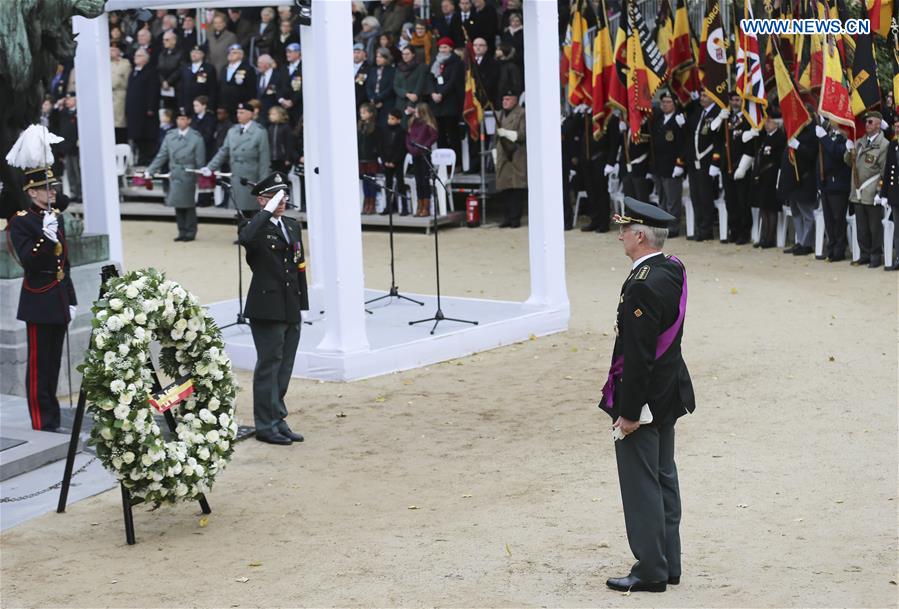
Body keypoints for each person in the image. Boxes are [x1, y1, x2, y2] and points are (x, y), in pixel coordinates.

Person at [599, 197, 694, 594]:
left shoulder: (641, 285)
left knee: (642, 487)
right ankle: (669, 561)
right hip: (668, 392)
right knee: (664, 478)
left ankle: (651, 569)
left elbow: (637, 356)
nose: (620, 235)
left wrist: (629, 411)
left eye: (625, 229)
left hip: (646, 400)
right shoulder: (671, 269)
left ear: (640, 236)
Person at [238, 172, 308, 445]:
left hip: (290, 303)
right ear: (262, 200)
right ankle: (265, 424)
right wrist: (266, 211)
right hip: (266, 306)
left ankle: (278, 418)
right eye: (275, 197)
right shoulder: (253, 226)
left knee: (285, 365)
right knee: (269, 364)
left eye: (284, 196)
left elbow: (299, 265)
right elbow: (247, 238)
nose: (282, 201)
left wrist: (303, 303)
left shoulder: (291, 226)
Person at [8, 166, 77, 432]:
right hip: (39, 299)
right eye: (47, 188)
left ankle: (54, 419)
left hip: (57, 297)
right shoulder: (21, 221)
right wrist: (46, 239)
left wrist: (71, 298)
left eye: (54, 187)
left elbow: (65, 263)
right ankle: (42, 421)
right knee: (39, 367)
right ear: (32, 192)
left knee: (53, 364)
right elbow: (30, 262)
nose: (53, 192)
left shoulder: (53, 217)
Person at [144, 107, 205, 241]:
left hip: (188, 173)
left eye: (183, 119)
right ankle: (181, 231)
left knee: (188, 203)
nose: (180, 121)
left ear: (189, 120)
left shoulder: (196, 137)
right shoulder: (170, 135)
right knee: (177, 203)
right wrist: (151, 170)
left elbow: (200, 160)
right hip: (175, 173)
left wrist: (202, 175)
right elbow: (162, 155)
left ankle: (190, 231)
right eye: (178, 118)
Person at [204, 101, 271, 213]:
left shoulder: (259, 132)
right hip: (236, 175)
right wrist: (210, 167)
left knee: (251, 211)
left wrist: (262, 182)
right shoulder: (232, 130)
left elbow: (264, 159)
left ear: (250, 114)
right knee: (239, 212)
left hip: (251, 176)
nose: (238, 115)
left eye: (242, 112)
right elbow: (223, 151)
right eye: (238, 112)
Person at [845, 110, 890, 267]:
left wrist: (880, 191)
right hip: (857, 191)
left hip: (872, 192)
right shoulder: (860, 141)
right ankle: (864, 253)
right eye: (866, 122)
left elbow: (884, 172)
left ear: (878, 124)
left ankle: (875, 256)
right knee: (862, 226)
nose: (867, 125)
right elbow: (848, 162)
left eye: (870, 122)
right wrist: (849, 148)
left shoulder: (884, 145)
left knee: (874, 227)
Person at [684, 91, 723, 241]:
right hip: (694, 162)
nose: (702, 98)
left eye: (705, 96)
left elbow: (718, 141)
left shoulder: (717, 113)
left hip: (707, 162)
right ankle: (700, 227)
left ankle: (707, 230)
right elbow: (691, 136)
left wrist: (715, 162)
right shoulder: (699, 113)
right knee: (696, 196)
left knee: (705, 197)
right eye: (701, 96)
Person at [650, 93, 687, 237]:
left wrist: (680, 163)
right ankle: (662, 225)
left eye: (668, 102)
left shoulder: (679, 120)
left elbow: (683, 144)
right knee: (662, 199)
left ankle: (673, 227)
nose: (665, 104)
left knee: (672, 200)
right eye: (663, 102)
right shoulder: (658, 119)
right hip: (658, 166)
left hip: (672, 166)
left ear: (675, 104)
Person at [815, 119, 851, 262]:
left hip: (838, 184)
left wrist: (824, 138)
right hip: (825, 184)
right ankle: (831, 248)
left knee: (838, 219)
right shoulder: (828, 135)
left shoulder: (845, 138)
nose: (831, 121)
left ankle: (839, 250)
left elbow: (837, 154)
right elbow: (819, 160)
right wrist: (819, 183)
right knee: (829, 220)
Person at [720, 91, 754, 244]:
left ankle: (744, 232)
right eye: (733, 99)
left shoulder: (748, 119)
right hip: (727, 166)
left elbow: (751, 147)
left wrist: (743, 167)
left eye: (738, 99)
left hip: (741, 167)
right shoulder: (727, 119)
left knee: (742, 202)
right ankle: (733, 230)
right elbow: (718, 140)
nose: (735, 102)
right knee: (730, 201)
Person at [750, 110, 786, 248]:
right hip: (763, 177)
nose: (767, 124)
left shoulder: (779, 137)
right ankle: (763, 236)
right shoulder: (765, 137)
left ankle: (770, 238)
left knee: (771, 209)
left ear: (777, 122)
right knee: (763, 208)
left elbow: (776, 158)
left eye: (769, 121)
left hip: (772, 177)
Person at [427, 37, 465, 157]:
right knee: (440, 134)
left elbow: (453, 81)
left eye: (445, 47)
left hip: (449, 102)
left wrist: (441, 94)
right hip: (436, 104)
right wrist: (433, 93)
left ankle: (456, 161)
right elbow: (430, 79)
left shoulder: (457, 62)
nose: (442, 50)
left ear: (451, 48)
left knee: (453, 133)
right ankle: (443, 162)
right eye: (441, 47)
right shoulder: (435, 61)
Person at [494, 90, 527, 228]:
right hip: (503, 154)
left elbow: (523, 134)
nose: (505, 102)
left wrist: (507, 133)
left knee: (516, 188)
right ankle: (506, 217)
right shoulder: (500, 114)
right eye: (503, 99)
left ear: (515, 100)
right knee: (505, 189)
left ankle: (515, 218)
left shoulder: (521, 113)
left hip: (515, 154)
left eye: (508, 99)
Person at [125, 48, 160, 165]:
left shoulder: (151, 71)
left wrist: (150, 107)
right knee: (137, 136)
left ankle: (148, 159)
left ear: (146, 58)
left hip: (145, 110)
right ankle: (141, 157)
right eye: (136, 56)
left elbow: (153, 90)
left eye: (139, 56)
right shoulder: (134, 71)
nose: (136, 58)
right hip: (134, 110)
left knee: (147, 135)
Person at [406, 102, 439, 217]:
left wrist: (424, 146)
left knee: (425, 181)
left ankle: (426, 206)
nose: (415, 113)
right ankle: (419, 205)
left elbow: (434, 136)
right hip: (415, 154)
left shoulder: (427, 124)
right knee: (418, 181)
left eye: (417, 111)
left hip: (424, 155)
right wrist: (410, 148)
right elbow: (408, 137)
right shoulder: (413, 122)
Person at [378, 108, 409, 215]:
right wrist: (385, 161)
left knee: (400, 184)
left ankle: (404, 207)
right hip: (386, 161)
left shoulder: (402, 132)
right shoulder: (384, 130)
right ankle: (388, 207)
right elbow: (381, 146)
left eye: (392, 119)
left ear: (398, 120)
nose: (389, 121)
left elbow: (401, 149)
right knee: (388, 184)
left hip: (397, 162)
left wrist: (394, 161)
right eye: (389, 118)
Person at [53, 92, 80, 202]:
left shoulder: (79, 112)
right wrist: (57, 105)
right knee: (70, 172)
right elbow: (53, 118)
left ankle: (80, 193)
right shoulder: (64, 113)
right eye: (66, 99)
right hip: (66, 147)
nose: (67, 101)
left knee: (77, 171)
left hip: (76, 147)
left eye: (70, 99)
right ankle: (74, 192)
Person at [879, 117, 899, 271]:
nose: (896, 129)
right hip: (895, 194)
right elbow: (888, 170)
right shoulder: (894, 144)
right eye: (896, 126)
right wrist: (884, 193)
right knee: (898, 229)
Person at [219, 44, 255, 118]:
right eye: (229, 52)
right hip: (225, 106)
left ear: (241, 55)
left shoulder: (247, 69)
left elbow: (252, 88)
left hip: (240, 106)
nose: (231, 54)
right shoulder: (224, 68)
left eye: (234, 53)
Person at [179, 45, 218, 112]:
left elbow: (212, 89)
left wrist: (210, 106)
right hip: (187, 104)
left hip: (202, 105)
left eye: (197, 52)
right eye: (192, 52)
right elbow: (181, 87)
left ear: (202, 55)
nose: (194, 54)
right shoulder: (185, 67)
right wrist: (181, 105)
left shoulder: (208, 68)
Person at [358, 103, 380, 215]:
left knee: (371, 181)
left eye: (364, 113)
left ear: (371, 114)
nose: (362, 115)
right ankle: (366, 202)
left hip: (371, 158)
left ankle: (372, 204)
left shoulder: (375, 127)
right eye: (361, 113)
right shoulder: (359, 126)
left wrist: (375, 153)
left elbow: (378, 143)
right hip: (362, 158)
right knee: (364, 182)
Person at [366, 48, 397, 127]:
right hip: (373, 104)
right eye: (377, 57)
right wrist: (373, 99)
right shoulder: (372, 70)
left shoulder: (392, 71)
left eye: (380, 57)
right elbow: (368, 86)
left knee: (384, 127)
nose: (377, 59)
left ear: (386, 58)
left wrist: (378, 99)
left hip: (386, 104)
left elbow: (390, 88)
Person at [394, 45, 426, 119]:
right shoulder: (399, 67)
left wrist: (413, 96)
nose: (405, 56)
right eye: (403, 54)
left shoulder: (421, 67)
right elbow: (396, 85)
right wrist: (406, 94)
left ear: (413, 54)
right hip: (401, 101)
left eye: (407, 54)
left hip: (415, 100)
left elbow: (420, 84)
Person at [109, 43, 132, 145]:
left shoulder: (125, 63)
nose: (111, 52)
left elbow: (125, 79)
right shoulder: (106, 62)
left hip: (120, 95)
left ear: (119, 51)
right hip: (109, 95)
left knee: (120, 122)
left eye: (113, 49)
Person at [255, 54, 286, 126]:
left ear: (267, 64)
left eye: (260, 63)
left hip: (274, 113)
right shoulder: (258, 76)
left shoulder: (278, 76)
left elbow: (281, 91)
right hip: (261, 113)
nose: (258, 65)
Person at [156, 30, 183, 111]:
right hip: (164, 89)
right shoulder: (161, 54)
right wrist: (163, 81)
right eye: (163, 40)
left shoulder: (180, 53)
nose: (164, 42)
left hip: (177, 88)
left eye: (167, 40)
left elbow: (179, 69)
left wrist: (168, 81)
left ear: (174, 41)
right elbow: (158, 70)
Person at [267, 105, 295, 173]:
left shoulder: (286, 127)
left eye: (273, 114)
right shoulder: (270, 128)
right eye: (270, 114)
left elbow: (289, 144)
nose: (271, 116)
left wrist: (288, 158)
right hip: (272, 158)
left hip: (282, 158)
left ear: (280, 115)